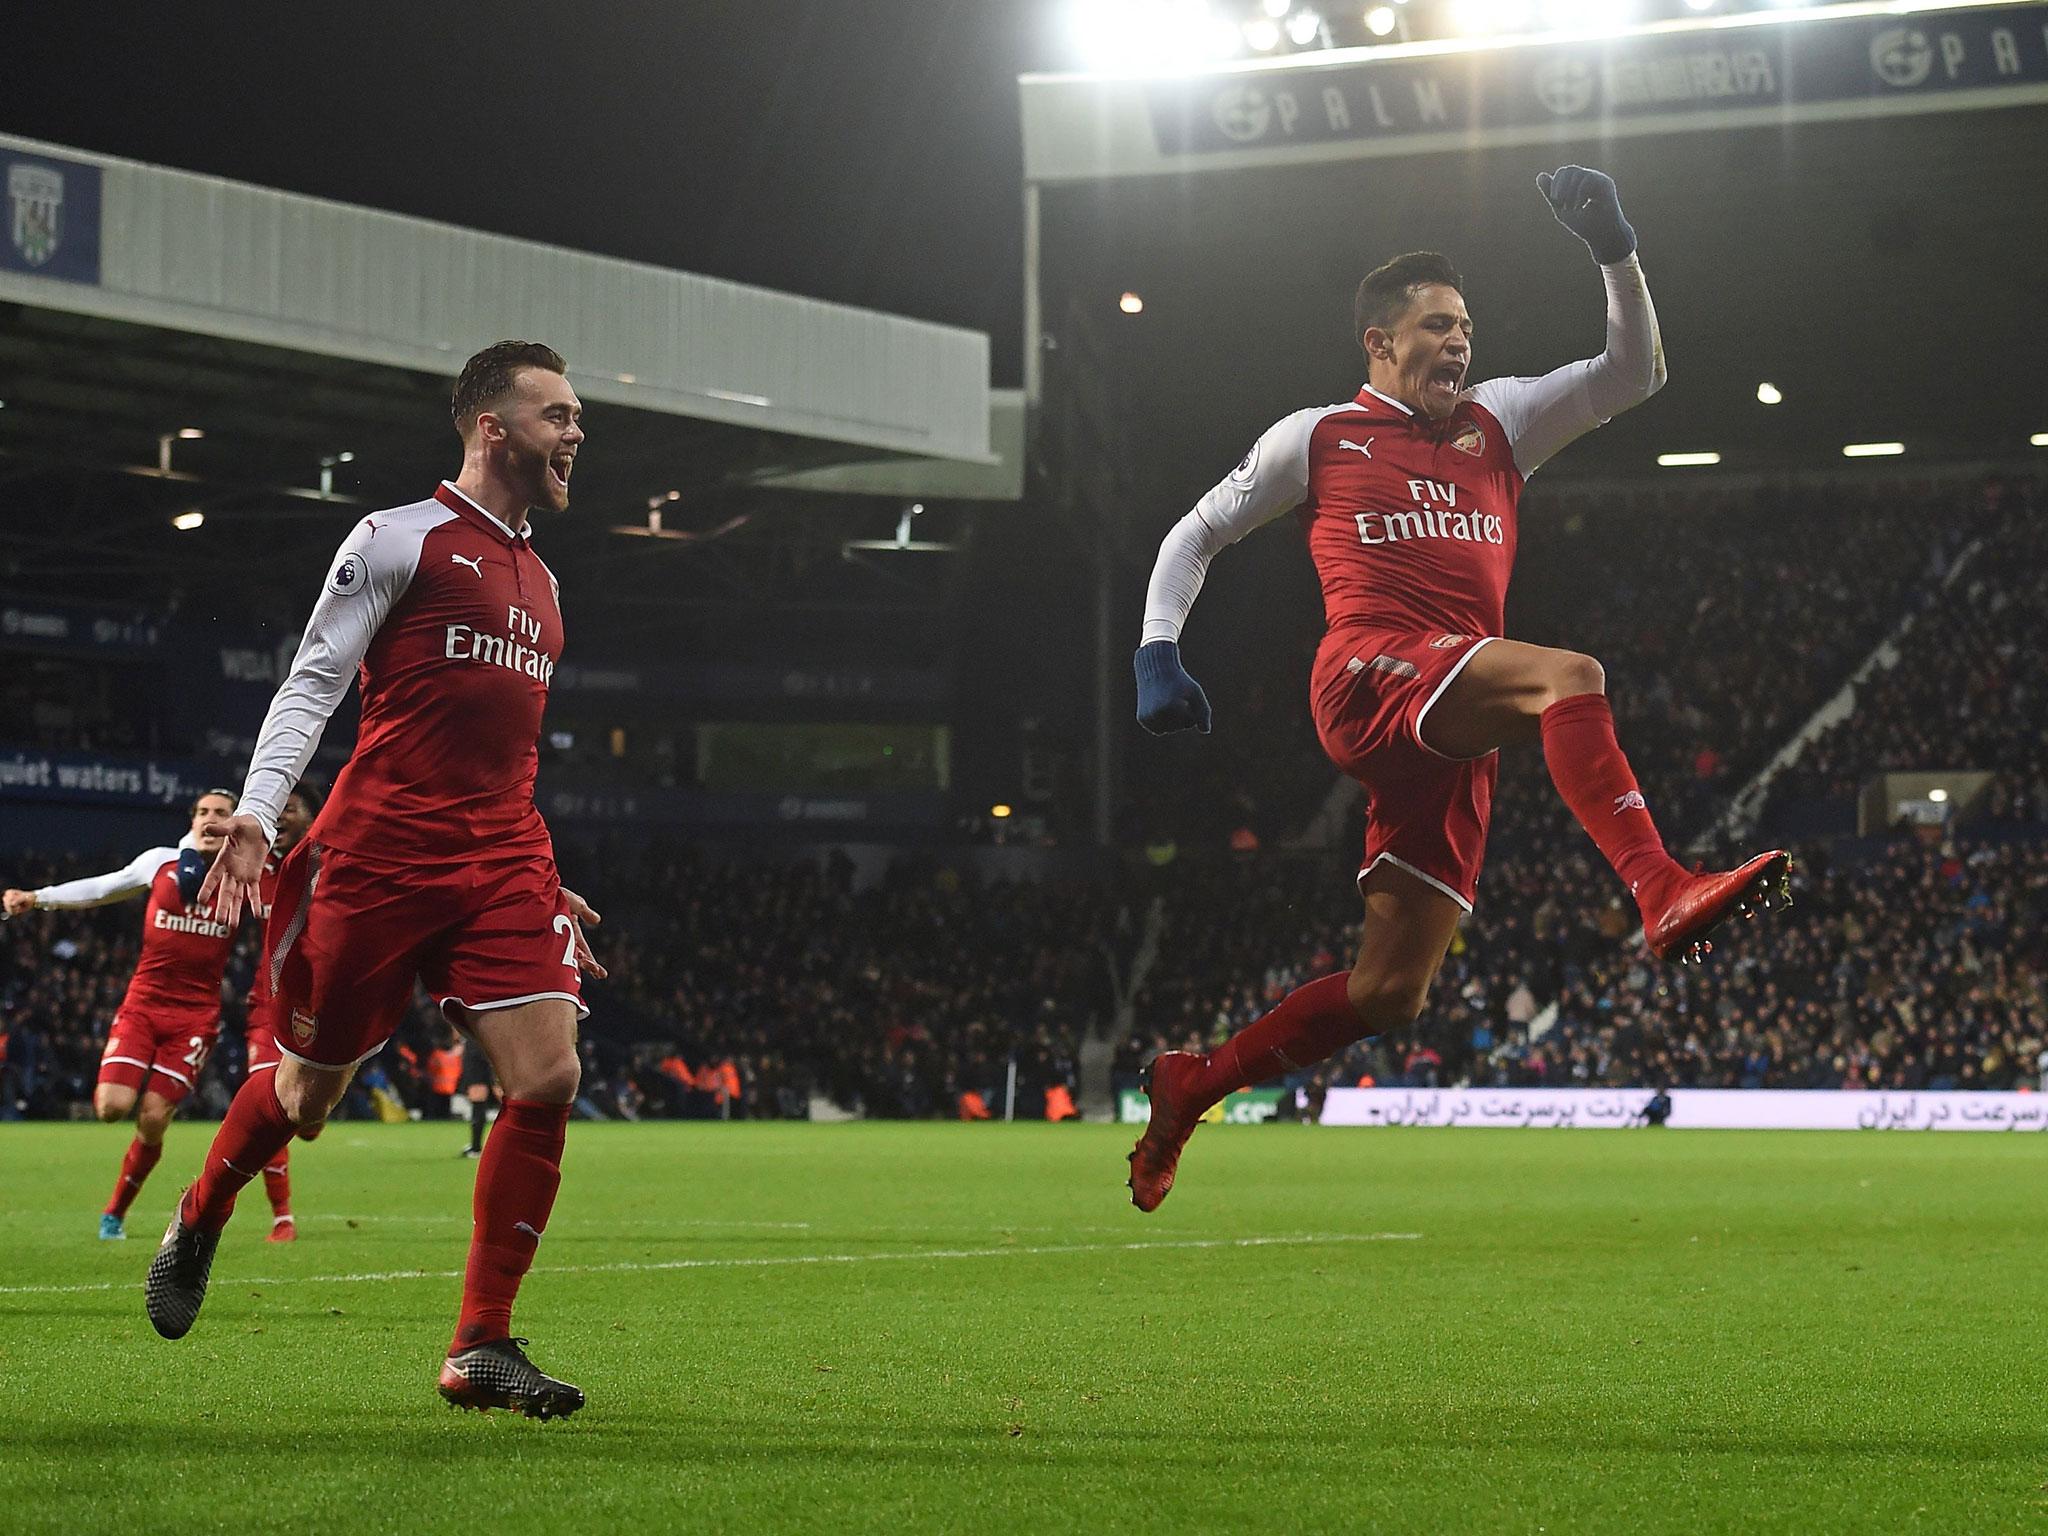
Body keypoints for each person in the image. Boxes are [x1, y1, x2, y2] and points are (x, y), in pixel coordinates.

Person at [1126, 167, 1789, 1212]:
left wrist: (1613, 250)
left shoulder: (1498, 424)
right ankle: (1658, 888)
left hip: (1449, 715)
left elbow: (1632, 373)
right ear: (1378, 343)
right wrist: (1157, 650)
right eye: (1436, 325)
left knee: (1390, 992)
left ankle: (1189, 1087)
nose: (1460, 342)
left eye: (1467, 325)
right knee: (1569, 675)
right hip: (1367, 676)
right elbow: (1196, 532)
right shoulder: (1316, 436)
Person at [144, 340, 607, 1421]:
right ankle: (202, 1214)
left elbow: (501, 750)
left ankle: (478, 1344)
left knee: (547, 1074)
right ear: (494, 428)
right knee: (305, 1099)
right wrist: (258, 815)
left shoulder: (542, 580)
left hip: (498, 859)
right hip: (377, 858)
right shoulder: (395, 539)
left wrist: (543, 864)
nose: (576, 432)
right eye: (558, 414)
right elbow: (312, 684)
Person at [3, 790, 242, 1240]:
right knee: (111, 1108)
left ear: (234, 823)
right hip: (144, 1006)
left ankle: (114, 1212)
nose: (211, 820)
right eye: (203, 812)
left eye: (221, 814)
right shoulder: (160, 862)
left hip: (195, 1018)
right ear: (191, 820)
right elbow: (102, 888)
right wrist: (38, 897)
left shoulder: (245, 874)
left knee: (153, 1118)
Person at [241, 782, 325, 1242]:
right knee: (272, 1105)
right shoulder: (260, 866)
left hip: (323, 1007)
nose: (281, 816)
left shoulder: (330, 866)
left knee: (307, 1122)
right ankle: (282, 1217)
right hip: (267, 1003)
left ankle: (317, 1111)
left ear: (312, 816)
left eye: (290, 808)